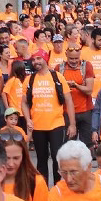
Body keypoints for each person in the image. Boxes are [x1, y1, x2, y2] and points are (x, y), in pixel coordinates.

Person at [24, 52, 75, 184]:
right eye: (33, 59)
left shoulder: (57, 77)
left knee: (57, 157)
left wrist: (72, 124)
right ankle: (43, 190)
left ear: (46, 59)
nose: (36, 62)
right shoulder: (29, 79)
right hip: (37, 125)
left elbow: (69, 101)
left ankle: (58, 188)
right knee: (41, 159)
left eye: (39, 58)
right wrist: (28, 119)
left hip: (56, 124)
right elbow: (23, 102)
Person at [0, 126, 50, 201]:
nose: (11, 164)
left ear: (24, 156)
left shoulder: (36, 182)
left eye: (16, 158)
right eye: (6, 158)